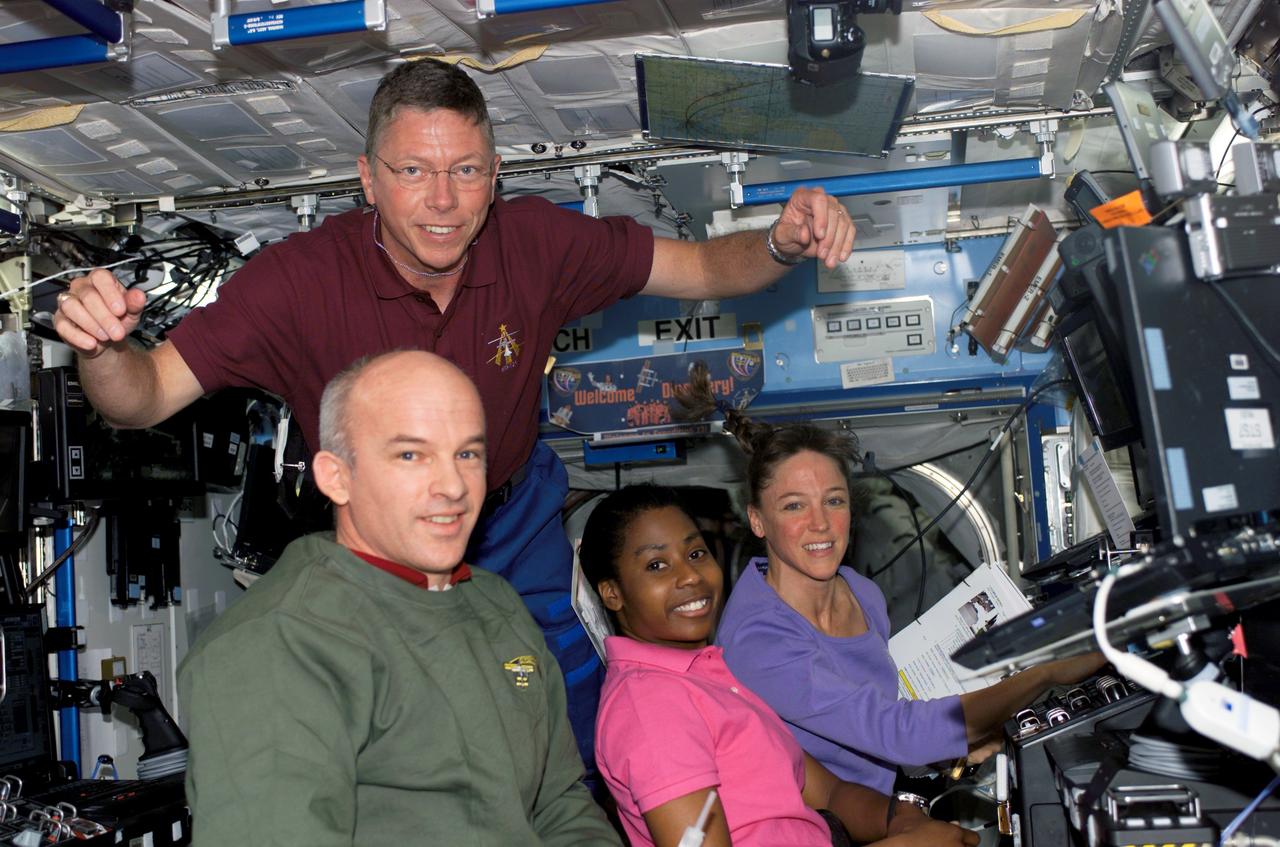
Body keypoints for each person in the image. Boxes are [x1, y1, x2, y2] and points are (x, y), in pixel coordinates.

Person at [52, 58, 855, 767]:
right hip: (378, 548)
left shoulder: (535, 245)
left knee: (571, 694)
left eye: (466, 172)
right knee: (409, 734)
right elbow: (146, 394)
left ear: (496, 173)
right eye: (413, 172)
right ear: (367, 179)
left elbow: (706, 263)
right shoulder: (295, 283)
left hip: (512, 516)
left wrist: (779, 243)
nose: (443, 201)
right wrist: (100, 348)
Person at [176, 350, 620, 846]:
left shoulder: (496, 604)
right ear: (336, 477)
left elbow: (560, 805)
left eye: (467, 454)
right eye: (411, 455)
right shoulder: (277, 644)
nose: (452, 485)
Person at [714, 416, 1107, 795]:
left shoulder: (859, 591)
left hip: (888, 797)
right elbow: (893, 731)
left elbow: (881, 718)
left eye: (833, 500)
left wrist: (949, 750)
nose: (820, 524)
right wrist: (1045, 672)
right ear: (757, 520)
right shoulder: (758, 640)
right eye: (794, 506)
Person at [580, 483, 979, 847]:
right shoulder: (651, 705)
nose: (690, 576)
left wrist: (903, 818)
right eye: (656, 565)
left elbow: (830, 793)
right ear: (612, 593)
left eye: (696, 553)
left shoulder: (709, 676)